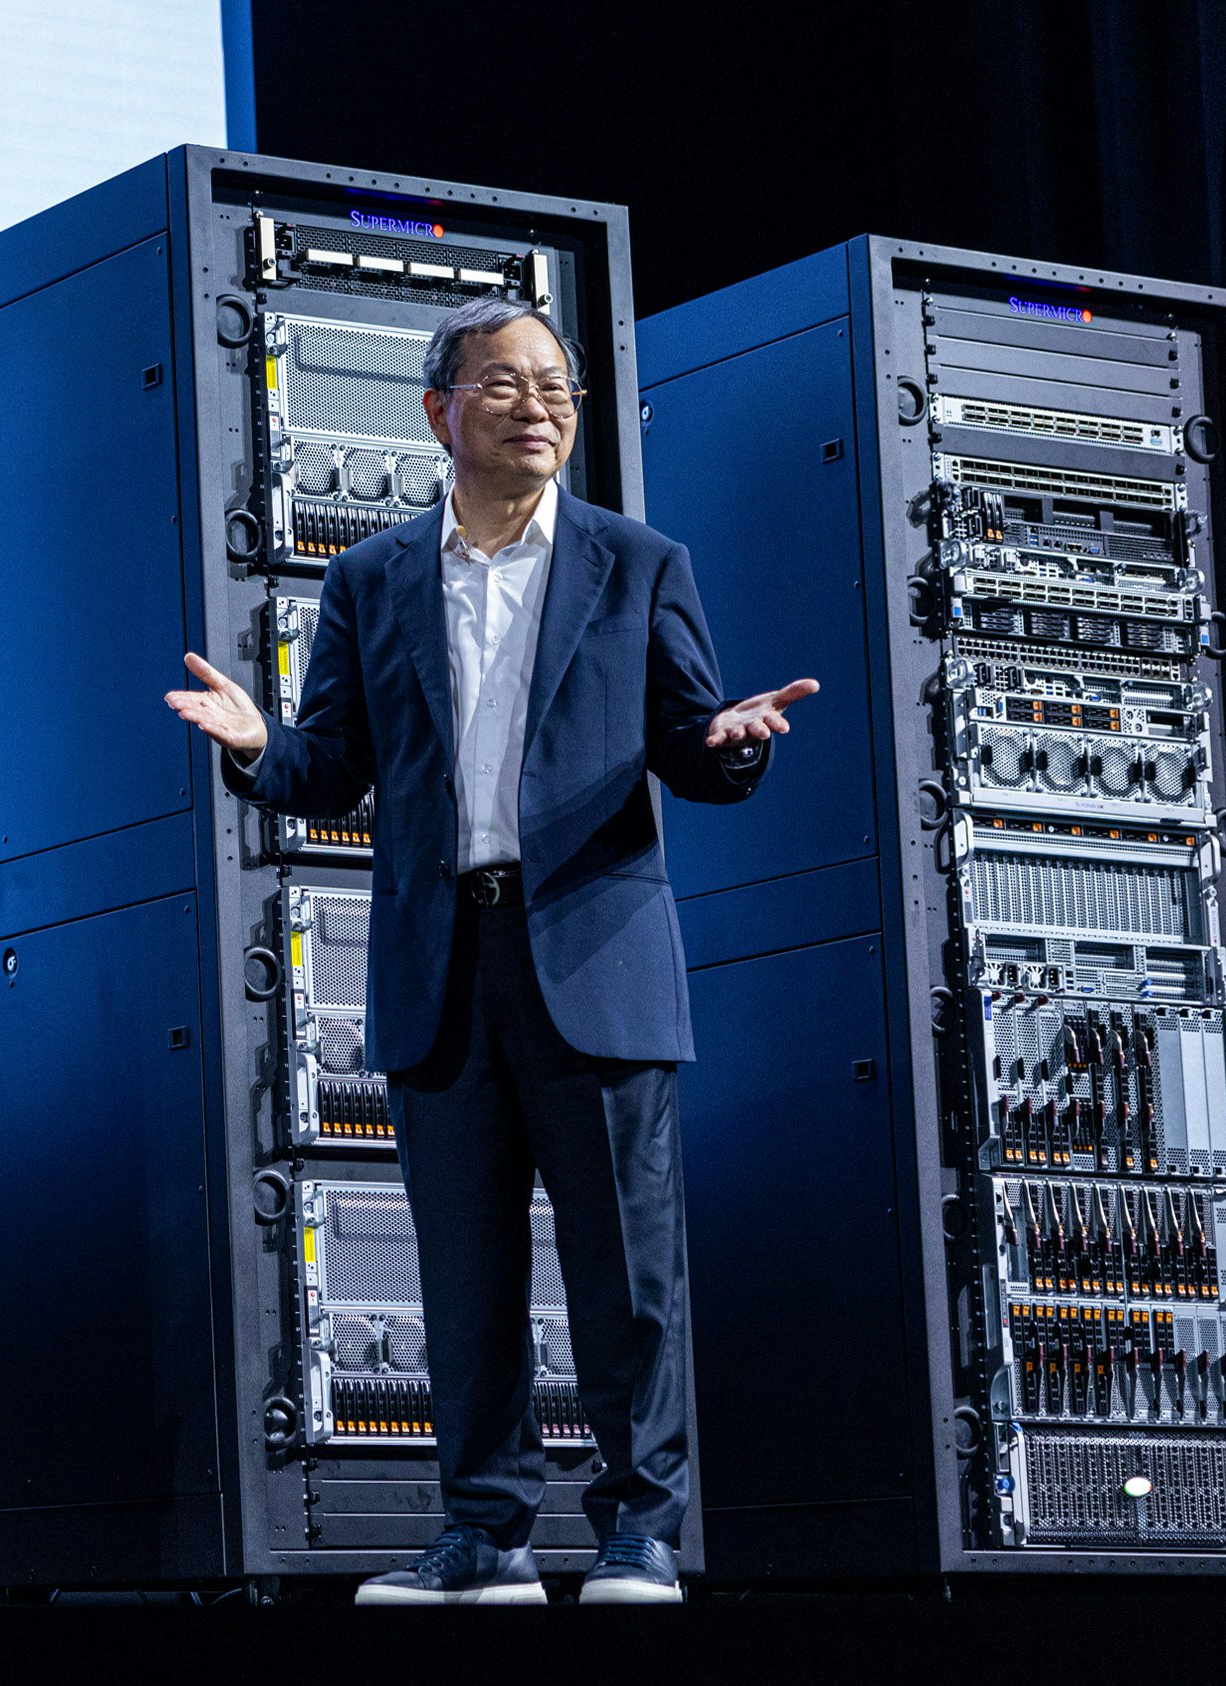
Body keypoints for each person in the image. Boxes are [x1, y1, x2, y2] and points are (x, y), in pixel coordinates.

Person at [164, 295, 815, 1605]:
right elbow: (331, 765)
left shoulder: (639, 563)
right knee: (464, 1277)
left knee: (625, 1275)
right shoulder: (371, 578)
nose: (539, 407)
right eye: (507, 384)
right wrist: (252, 751)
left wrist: (730, 745)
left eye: (557, 389)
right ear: (439, 411)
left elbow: (690, 741)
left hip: (594, 948)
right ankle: (485, 1529)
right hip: (443, 954)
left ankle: (640, 1530)